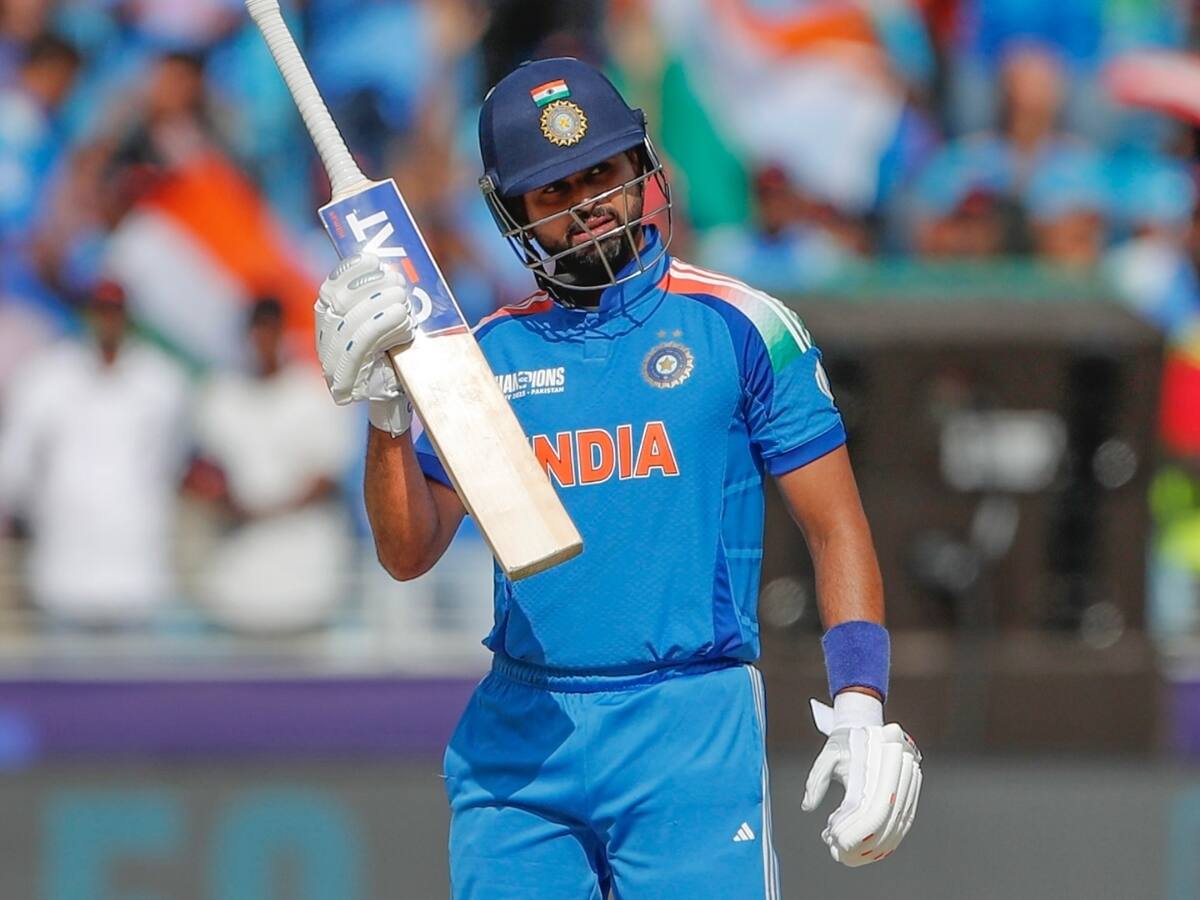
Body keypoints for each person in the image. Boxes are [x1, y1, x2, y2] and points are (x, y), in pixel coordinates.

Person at [312, 58, 922, 897]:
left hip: (689, 723)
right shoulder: (484, 356)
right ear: (513, 210)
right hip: (524, 740)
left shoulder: (744, 325)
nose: (587, 201)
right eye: (554, 189)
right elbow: (408, 552)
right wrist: (386, 415)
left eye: (600, 171)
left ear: (640, 165)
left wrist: (859, 703)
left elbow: (836, 526)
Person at [0, 279, 190, 628]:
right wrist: (45, 511)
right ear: (87, 314)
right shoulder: (47, 377)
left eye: (115, 311)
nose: (108, 320)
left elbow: (171, 460)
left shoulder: (161, 381)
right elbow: (16, 465)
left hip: (137, 573)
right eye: (101, 310)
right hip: (63, 571)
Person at [187, 298, 357, 634]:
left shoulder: (312, 394)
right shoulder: (220, 395)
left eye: (269, 331)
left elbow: (327, 476)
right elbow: (202, 471)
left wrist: (265, 510)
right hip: (235, 585)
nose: (262, 342)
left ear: (282, 334)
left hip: (307, 585)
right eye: (256, 332)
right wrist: (225, 500)